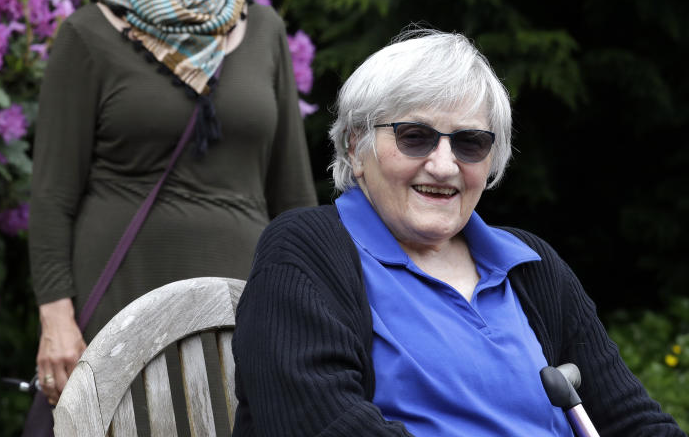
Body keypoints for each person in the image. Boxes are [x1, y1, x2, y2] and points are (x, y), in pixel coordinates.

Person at [231, 28, 685, 437]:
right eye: (415, 136)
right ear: (356, 145)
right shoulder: (307, 251)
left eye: (470, 143)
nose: (444, 166)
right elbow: (319, 422)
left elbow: (630, 420)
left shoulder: (530, 264)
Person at [24, 0, 317, 432]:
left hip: (244, 304)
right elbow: (51, 195)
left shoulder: (261, 30)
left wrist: (313, 305)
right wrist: (56, 319)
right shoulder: (88, 34)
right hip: (117, 299)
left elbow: (294, 196)